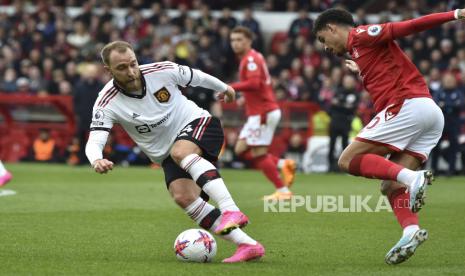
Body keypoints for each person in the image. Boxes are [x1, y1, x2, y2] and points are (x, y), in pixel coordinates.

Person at [85, 41, 264, 263]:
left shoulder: (162, 71)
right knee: (183, 196)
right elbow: (95, 139)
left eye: (133, 64)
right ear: (108, 70)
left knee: (181, 152)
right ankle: (247, 245)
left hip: (198, 123)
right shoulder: (106, 102)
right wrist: (96, 159)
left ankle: (231, 210)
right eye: (122, 68)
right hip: (167, 153)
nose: (131, 72)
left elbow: (197, 77)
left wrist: (224, 88)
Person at [313, 8, 465, 264]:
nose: (325, 47)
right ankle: (411, 231)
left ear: (332, 29)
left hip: (407, 106)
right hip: (429, 114)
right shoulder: (361, 51)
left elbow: (410, 26)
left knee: (347, 160)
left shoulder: (361, 35)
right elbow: (382, 70)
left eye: (322, 40)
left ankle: (413, 178)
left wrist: (455, 14)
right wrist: (359, 69)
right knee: (390, 185)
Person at [229, 26, 296, 201]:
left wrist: (230, 87)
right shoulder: (252, 57)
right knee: (240, 149)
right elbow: (259, 86)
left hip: (263, 113)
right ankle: (283, 164)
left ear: (249, 41)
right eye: (233, 40)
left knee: (259, 153)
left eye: (239, 40)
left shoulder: (251, 59)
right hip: (258, 112)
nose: (235, 44)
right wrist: (247, 98)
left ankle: (282, 191)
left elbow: (254, 84)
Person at [431, 72, 465, 176]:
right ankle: (433, 169)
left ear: (454, 82)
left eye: (451, 80)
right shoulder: (439, 92)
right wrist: (451, 106)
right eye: (447, 80)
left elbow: (461, 104)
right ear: (443, 81)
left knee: (453, 147)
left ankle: (451, 169)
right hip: (440, 124)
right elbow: (435, 104)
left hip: (453, 124)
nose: (449, 82)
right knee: (435, 147)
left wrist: (445, 105)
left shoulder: (458, 92)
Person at [327, 75, 360, 172]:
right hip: (335, 122)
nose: (347, 83)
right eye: (346, 81)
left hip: (345, 122)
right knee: (331, 145)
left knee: (345, 145)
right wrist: (343, 106)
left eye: (349, 81)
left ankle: (344, 166)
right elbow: (332, 106)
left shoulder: (355, 94)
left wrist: (339, 104)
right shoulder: (338, 91)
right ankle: (330, 166)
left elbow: (351, 109)